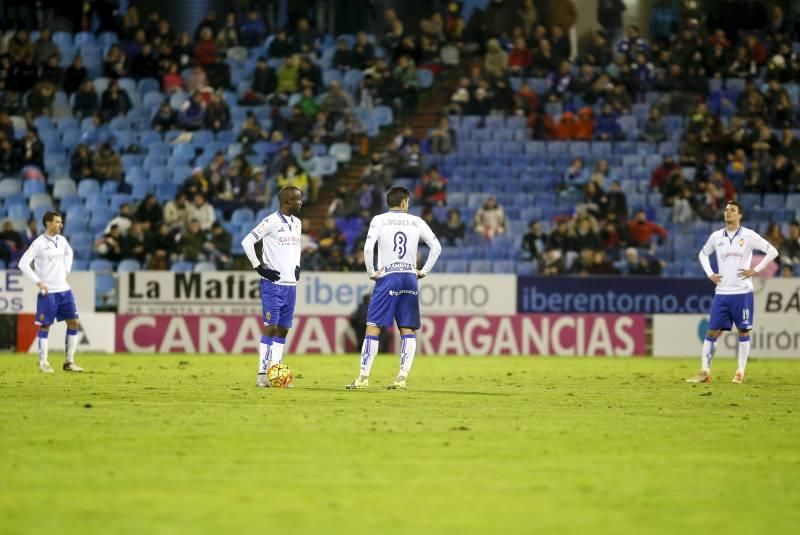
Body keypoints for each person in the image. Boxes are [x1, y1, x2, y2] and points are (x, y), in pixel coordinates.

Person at [346, 186, 441, 391]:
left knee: (373, 327)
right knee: (407, 329)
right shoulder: (416, 221)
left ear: (388, 202)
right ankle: (402, 378)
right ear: (405, 202)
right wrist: (423, 271)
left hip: (388, 276)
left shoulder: (378, 220)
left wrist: (372, 271)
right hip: (409, 277)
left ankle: (363, 378)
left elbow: (368, 247)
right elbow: (436, 247)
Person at [687, 201, 779, 385]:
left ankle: (740, 372)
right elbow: (702, 254)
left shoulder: (748, 235)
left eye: (733, 210)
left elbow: (773, 251)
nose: (728, 212)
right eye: (726, 210)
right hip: (722, 293)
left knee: (744, 330)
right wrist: (710, 273)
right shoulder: (716, 237)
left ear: (740, 215)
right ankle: (705, 371)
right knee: (712, 332)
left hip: (743, 292)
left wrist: (756, 269)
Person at [240, 186, 303, 388]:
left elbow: (297, 246)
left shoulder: (297, 223)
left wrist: (298, 265)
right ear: (287, 202)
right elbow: (247, 242)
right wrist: (259, 267)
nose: (301, 203)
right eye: (298, 200)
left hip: (290, 285)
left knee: (283, 330)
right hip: (272, 284)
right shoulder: (271, 221)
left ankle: (275, 371)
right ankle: (261, 375)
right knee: (271, 327)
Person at [17, 212, 84, 373]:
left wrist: (66, 270)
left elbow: (70, 253)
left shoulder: (62, 241)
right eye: (57, 222)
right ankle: (43, 363)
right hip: (48, 292)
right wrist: (38, 282)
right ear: (48, 223)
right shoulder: (38, 243)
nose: (60, 225)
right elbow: (23, 263)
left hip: (64, 290)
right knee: (45, 326)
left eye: (61, 222)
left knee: (74, 322)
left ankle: (69, 362)